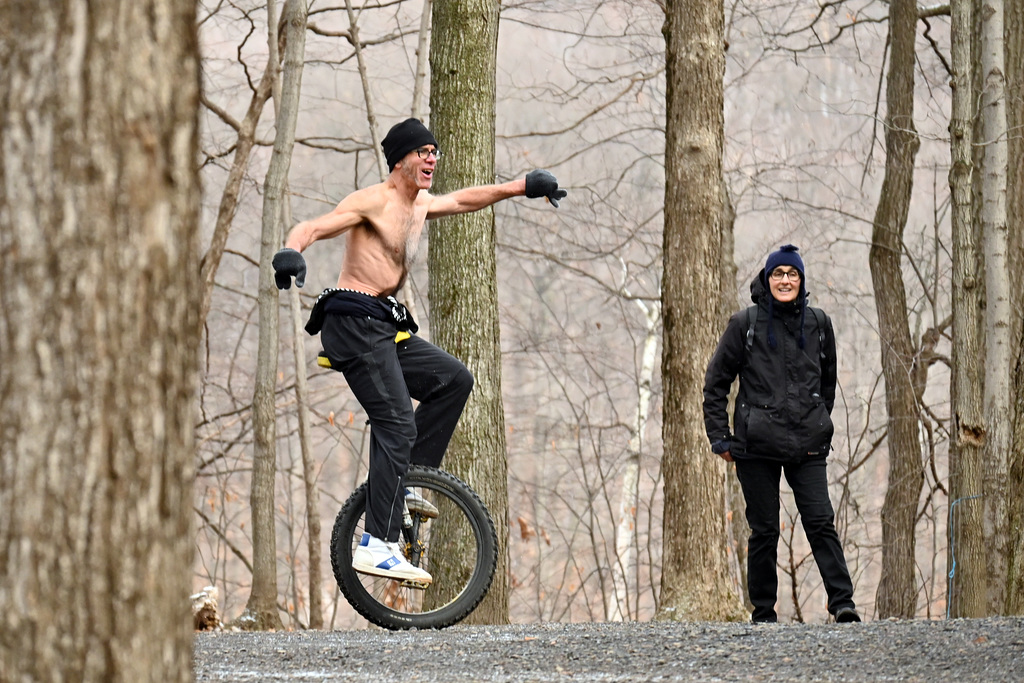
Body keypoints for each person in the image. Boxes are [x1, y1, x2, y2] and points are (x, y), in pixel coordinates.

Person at [272, 118, 567, 584]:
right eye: (422, 152)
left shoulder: (420, 204)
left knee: (454, 380)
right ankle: (377, 543)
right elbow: (313, 225)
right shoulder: (374, 200)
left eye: (435, 152)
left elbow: (467, 199)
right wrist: (291, 251)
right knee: (396, 420)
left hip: (384, 324)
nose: (431, 159)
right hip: (353, 321)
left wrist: (522, 186)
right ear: (400, 159)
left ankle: (406, 479)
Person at [702, 244, 861, 624]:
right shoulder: (745, 323)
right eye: (778, 274)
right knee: (765, 530)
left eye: (792, 274)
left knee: (820, 521)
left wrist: (817, 420)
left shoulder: (819, 323)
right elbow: (715, 384)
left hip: (808, 445)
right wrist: (720, 437)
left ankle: (842, 604)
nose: (785, 280)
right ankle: (763, 614)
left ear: (802, 280)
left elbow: (827, 382)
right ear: (767, 279)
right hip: (756, 446)